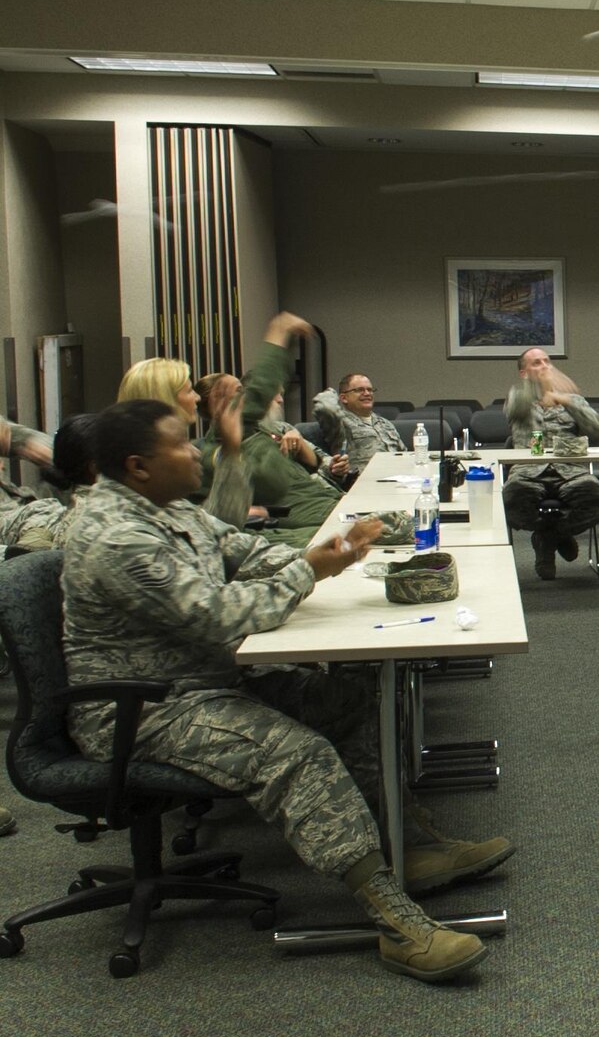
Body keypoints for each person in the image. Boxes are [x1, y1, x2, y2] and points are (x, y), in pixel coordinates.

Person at [61, 400, 512, 981]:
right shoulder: (118, 538)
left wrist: (332, 554)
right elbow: (222, 615)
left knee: (353, 696)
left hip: (208, 682)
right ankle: (394, 919)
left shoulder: (167, 509)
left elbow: (247, 551)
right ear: (137, 465)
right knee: (294, 752)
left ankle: (405, 845)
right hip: (146, 708)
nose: (194, 451)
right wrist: (311, 572)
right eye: (180, 443)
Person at [191, 314, 350, 549]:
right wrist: (278, 335)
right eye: (238, 392)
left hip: (334, 505)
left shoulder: (262, 432)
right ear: (217, 402)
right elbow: (272, 485)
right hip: (313, 524)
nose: (246, 397)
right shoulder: (215, 451)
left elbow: (321, 468)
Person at [505, 347, 599, 580]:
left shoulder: (572, 400)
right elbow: (517, 408)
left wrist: (566, 401)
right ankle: (555, 535)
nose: (544, 366)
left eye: (547, 361)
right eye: (536, 363)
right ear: (524, 373)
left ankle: (548, 538)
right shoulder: (517, 397)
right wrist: (541, 390)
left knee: (596, 501)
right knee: (512, 502)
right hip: (528, 472)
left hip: (571, 471)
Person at [116, 355, 253, 527]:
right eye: (189, 391)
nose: (197, 398)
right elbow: (217, 526)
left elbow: (211, 530)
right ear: (166, 398)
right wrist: (231, 450)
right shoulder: (155, 460)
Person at [0, 414, 99, 552]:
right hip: (10, 516)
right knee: (47, 508)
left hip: (20, 503)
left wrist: (31, 443)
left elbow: (13, 434)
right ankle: (32, 546)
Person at [312, 373, 405, 481]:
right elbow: (324, 407)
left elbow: (404, 454)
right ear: (343, 398)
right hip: (363, 483)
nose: (367, 393)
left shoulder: (385, 423)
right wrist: (332, 392)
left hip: (398, 480)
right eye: (359, 390)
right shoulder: (340, 423)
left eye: (370, 390)